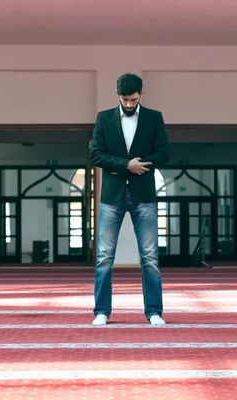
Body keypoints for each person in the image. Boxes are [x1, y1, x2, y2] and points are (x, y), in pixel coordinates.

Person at [89, 73, 170, 326]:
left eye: (133, 99)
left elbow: (164, 153)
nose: (129, 104)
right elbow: (95, 155)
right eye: (125, 100)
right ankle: (101, 312)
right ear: (118, 95)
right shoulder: (104, 118)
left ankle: (154, 312)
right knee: (104, 256)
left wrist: (138, 166)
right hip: (112, 196)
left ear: (141, 95)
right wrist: (126, 165)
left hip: (143, 195)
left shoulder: (154, 118)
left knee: (150, 256)